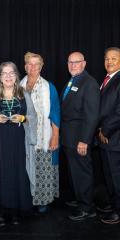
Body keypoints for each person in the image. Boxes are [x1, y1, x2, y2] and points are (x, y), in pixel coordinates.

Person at [0, 62, 37, 226]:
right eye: (4, 73)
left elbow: (33, 117)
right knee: (0, 173)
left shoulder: (24, 95)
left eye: (11, 73)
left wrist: (23, 118)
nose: (8, 76)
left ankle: (15, 212)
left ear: (16, 76)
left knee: (19, 172)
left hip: (19, 142)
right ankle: (0, 211)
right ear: (0, 77)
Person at [61, 51, 100, 221]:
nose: (73, 65)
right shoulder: (73, 80)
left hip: (79, 138)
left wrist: (84, 140)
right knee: (75, 172)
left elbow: (91, 116)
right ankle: (80, 199)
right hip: (70, 137)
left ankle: (87, 208)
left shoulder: (89, 83)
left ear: (84, 63)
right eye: (70, 62)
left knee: (82, 172)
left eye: (76, 62)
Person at [20, 52, 60, 213]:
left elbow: (55, 113)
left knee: (42, 168)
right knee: (25, 168)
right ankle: (27, 198)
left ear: (42, 67)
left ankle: (43, 200)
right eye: (30, 63)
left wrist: (55, 137)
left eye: (37, 64)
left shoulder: (48, 87)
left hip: (44, 137)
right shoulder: (18, 85)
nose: (33, 67)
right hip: (22, 137)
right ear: (25, 66)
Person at [98, 47, 120, 224]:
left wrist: (105, 130)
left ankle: (118, 211)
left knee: (117, 177)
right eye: (107, 58)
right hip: (106, 138)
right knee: (109, 176)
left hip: (115, 138)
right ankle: (114, 204)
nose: (110, 61)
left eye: (114, 58)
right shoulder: (107, 79)